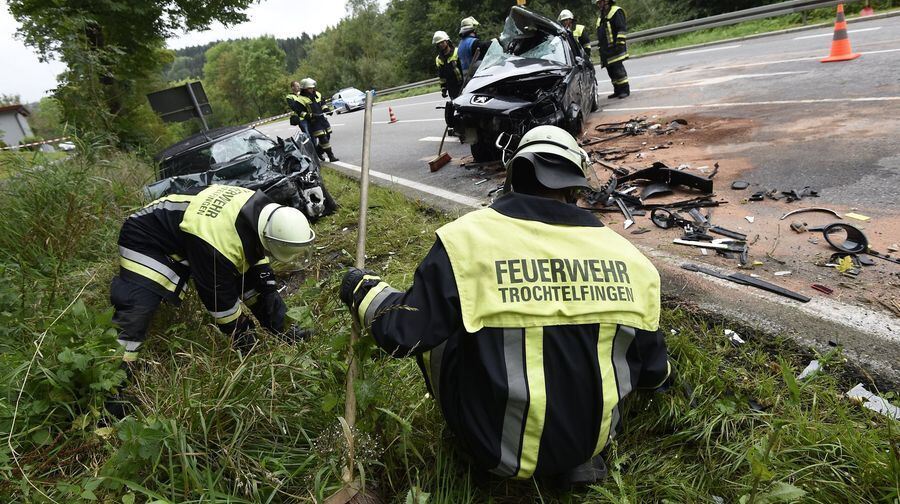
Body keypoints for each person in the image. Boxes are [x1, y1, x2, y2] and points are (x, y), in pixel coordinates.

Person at [340, 125, 671, 486]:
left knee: (446, 330)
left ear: (513, 177)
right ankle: (572, 455)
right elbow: (654, 373)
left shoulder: (466, 240)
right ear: (575, 188)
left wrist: (363, 290)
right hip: (589, 447)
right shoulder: (630, 259)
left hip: (494, 455)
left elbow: (404, 333)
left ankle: (491, 443)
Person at [110, 184, 316, 363]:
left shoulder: (262, 212)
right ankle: (115, 377)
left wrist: (274, 306)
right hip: (146, 238)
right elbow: (219, 300)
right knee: (137, 309)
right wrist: (245, 337)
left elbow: (258, 274)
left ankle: (286, 331)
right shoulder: (218, 245)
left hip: (189, 234)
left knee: (260, 286)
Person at [592, 0, 630, 99]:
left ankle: (625, 90)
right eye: (598, 3)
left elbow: (621, 28)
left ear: (607, 1)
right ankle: (617, 90)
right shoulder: (602, 16)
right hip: (606, 50)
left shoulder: (616, 11)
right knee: (611, 72)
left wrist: (619, 44)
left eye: (601, 2)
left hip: (615, 48)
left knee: (618, 70)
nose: (599, 5)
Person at [297, 77, 339, 162]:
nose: (312, 89)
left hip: (322, 119)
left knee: (327, 135)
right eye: (310, 88)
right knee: (323, 138)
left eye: (312, 88)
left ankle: (318, 151)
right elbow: (300, 112)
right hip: (313, 122)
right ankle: (331, 156)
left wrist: (327, 110)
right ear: (304, 89)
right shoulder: (300, 99)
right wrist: (311, 116)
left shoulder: (318, 94)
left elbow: (323, 104)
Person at [433, 30, 464, 129]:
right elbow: (442, 76)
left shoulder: (457, 51)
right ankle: (460, 126)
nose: (441, 45)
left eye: (442, 42)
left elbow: (464, 68)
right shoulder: (439, 59)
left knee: (465, 106)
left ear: (447, 41)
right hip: (451, 87)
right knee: (456, 106)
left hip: (462, 84)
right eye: (439, 43)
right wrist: (443, 88)